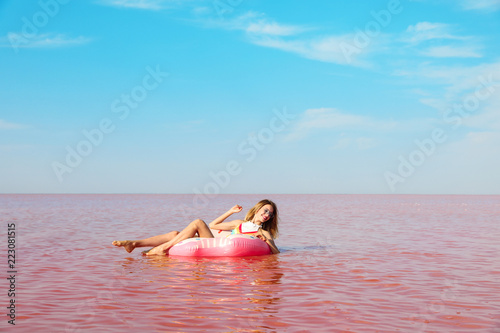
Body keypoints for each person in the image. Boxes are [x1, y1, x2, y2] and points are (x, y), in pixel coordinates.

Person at [112, 199, 280, 255]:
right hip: (216, 242)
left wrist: (265, 240)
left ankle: (162, 248)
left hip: (220, 246)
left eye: (270, 214)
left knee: (198, 222)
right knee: (175, 233)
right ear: (258, 209)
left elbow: (276, 253)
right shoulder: (240, 224)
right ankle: (134, 243)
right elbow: (214, 225)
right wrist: (230, 211)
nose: (267, 215)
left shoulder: (262, 231)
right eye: (265, 210)